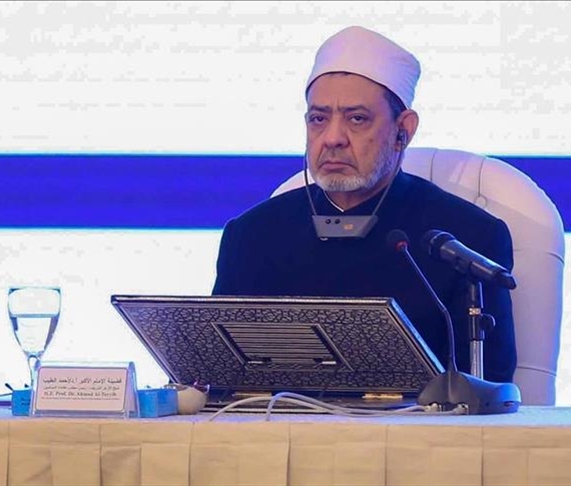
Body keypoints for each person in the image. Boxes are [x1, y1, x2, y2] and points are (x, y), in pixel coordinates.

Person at [212, 26, 516, 383]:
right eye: (318, 119)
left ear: (403, 130)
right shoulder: (251, 235)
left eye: (356, 119)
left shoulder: (468, 239)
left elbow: (490, 385)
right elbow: (220, 373)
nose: (332, 138)